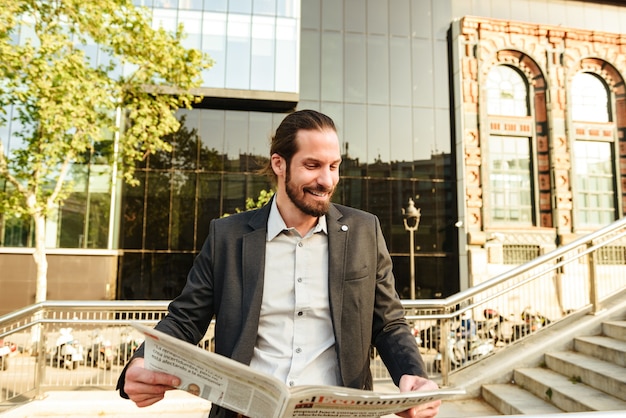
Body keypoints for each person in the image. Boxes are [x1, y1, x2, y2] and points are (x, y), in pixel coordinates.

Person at [116, 109, 441, 418]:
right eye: (312, 165)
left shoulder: (364, 231)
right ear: (279, 163)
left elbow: (388, 323)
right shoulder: (227, 236)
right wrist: (143, 361)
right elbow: (185, 320)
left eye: (334, 166)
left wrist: (412, 374)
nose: (327, 181)